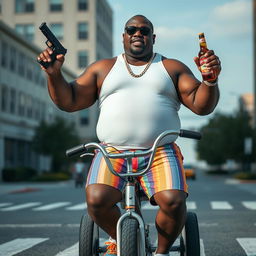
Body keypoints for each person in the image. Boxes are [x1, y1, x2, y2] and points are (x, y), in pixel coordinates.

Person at [38, 15, 221, 256]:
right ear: (123, 36)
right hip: (112, 150)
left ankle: (161, 253)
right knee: (96, 199)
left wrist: (209, 79)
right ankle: (123, 236)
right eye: (131, 29)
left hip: (159, 151)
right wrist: (54, 74)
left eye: (144, 30)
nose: (138, 33)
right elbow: (69, 101)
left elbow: (201, 105)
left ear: (152, 38)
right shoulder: (103, 68)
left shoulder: (171, 68)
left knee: (174, 201)